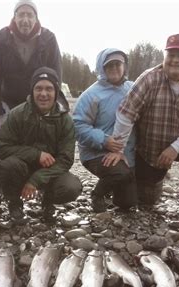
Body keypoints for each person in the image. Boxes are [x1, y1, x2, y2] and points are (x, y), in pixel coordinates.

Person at [113, 34, 179, 224]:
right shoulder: (148, 79)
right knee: (146, 202)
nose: (176, 60)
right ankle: (157, 180)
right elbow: (125, 114)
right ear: (164, 56)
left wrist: (175, 147)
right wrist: (118, 150)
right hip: (149, 151)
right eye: (171, 54)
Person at [0, 67, 82, 223]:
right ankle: (14, 203)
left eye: (49, 89)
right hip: (21, 168)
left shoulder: (66, 120)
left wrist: (36, 180)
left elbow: (66, 159)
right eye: (39, 88)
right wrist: (36, 154)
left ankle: (47, 202)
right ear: (32, 91)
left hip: (49, 172)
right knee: (8, 165)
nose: (43, 94)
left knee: (71, 186)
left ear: (56, 92)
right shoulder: (17, 114)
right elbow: (2, 148)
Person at [73, 48, 137, 213]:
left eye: (118, 64)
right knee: (120, 174)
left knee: (128, 203)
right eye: (109, 65)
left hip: (126, 152)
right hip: (95, 153)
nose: (114, 68)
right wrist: (104, 140)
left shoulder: (134, 88)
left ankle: (114, 190)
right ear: (102, 68)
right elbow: (78, 127)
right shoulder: (90, 95)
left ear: (124, 66)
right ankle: (98, 194)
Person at [0, 0, 62, 124]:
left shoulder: (49, 39)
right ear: (14, 17)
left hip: (38, 105)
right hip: (7, 105)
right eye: (21, 15)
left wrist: (49, 110)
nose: (25, 20)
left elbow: (56, 77)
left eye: (30, 15)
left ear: (36, 19)